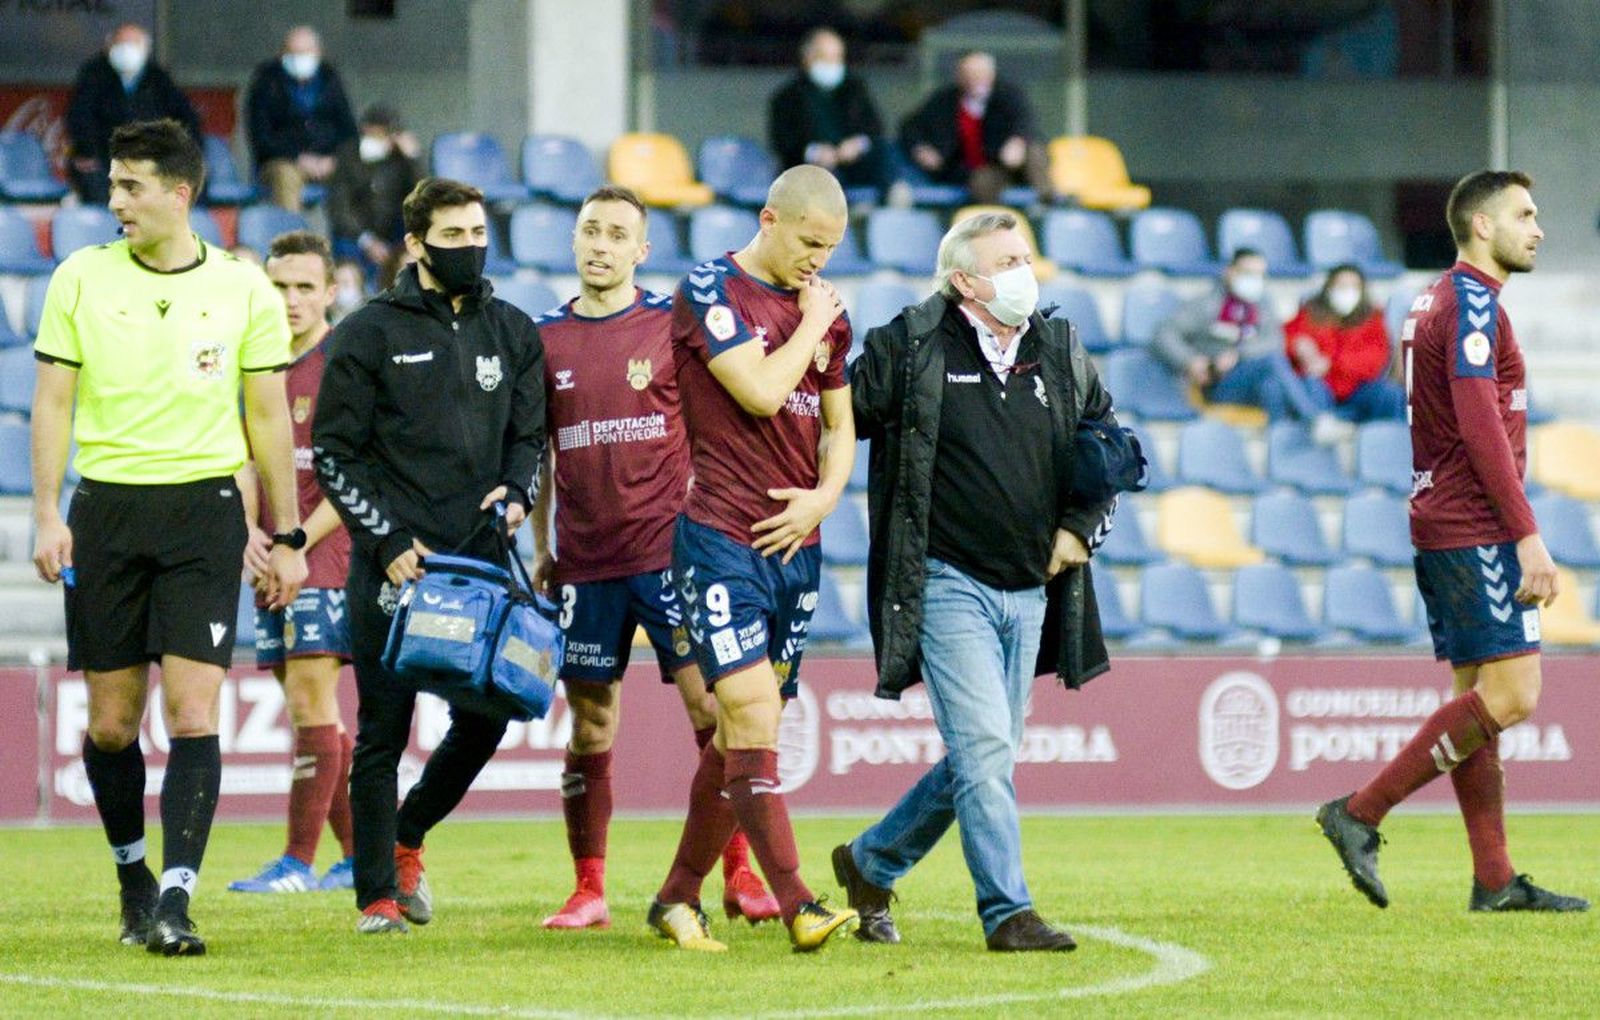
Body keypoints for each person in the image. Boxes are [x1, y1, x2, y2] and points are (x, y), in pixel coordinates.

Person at [30, 119, 307, 955]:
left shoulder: (243, 288)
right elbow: (52, 403)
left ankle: (178, 902)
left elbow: (268, 418)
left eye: (131, 186)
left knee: (193, 712)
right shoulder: (79, 277)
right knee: (113, 726)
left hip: (204, 512)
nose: (115, 201)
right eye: (113, 184)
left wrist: (287, 534)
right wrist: (47, 513)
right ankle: (134, 881)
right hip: (107, 512)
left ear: (178, 195)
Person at [832, 211, 1118, 951]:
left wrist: (1080, 528)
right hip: (944, 580)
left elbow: (1110, 443)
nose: (1027, 272)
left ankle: (871, 861)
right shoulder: (912, 344)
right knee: (987, 749)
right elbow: (840, 415)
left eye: (1026, 257)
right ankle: (1008, 912)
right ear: (964, 280)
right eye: (1008, 261)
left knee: (984, 755)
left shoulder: (1058, 346)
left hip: (1031, 587)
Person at [1316, 170, 1587, 915]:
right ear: (1481, 225)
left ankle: (1494, 879)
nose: (1538, 229)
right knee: (1514, 696)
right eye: (1524, 215)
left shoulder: (1434, 298)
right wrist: (1526, 535)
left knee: (1476, 703)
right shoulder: (1470, 305)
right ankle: (1360, 812)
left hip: (1444, 519)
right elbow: (1479, 426)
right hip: (1474, 525)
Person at [530, 186, 779, 931]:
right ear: (574, 240)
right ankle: (589, 890)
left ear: (641, 251)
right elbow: (540, 455)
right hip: (585, 561)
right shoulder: (544, 339)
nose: (600, 245)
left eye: (617, 235)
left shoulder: (672, 326)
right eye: (591, 231)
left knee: (713, 711)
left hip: (673, 556)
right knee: (590, 724)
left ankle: (738, 874)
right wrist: (542, 546)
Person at [312, 177, 546, 935]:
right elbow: (334, 453)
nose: (470, 247)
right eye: (453, 237)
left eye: (478, 233)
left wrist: (518, 492)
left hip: (479, 569)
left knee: (485, 722)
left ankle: (408, 835)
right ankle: (377, 896)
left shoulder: (514, 330)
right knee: (382, 730)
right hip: (397, 565)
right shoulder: (365, 333)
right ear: (416, 245)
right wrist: (384, 541)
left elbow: (529, 437)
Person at [647, 164, 858, 953]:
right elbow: (762, 392)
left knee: (739, 734)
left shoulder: (828, 314)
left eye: (830, 249)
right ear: (770, 219)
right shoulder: (710, 290)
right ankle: (801, 903)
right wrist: (810, 323)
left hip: (796, 548)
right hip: (720, 540)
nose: (818, 262)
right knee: (752, 714)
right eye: (809, 243)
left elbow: (839, 427)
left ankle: (676, 898)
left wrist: (823, 499)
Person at [228, 231, 356, 895]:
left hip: (324, 551)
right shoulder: (253, 364)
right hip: (274, 552)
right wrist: (249, 532)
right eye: (278, 286)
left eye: (305, 287)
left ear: (330, 291)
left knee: (311, 701)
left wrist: (296, 540)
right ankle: (360, 856)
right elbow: (245, 460)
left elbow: (356, 477)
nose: (290, 300)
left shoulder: (343, 365)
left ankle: (297, 863)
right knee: (312, 710)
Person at [1152, 248, 1350, 441]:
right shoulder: (1206, 304)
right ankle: (1316, 420)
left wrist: (1239, 353)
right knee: (1272, 361)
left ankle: (1278, 445)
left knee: (1272, 387)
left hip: (1252, 382)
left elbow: (1275, 342)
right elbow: (1164, 333)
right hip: (1219, 383)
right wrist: (1191, 361)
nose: (1254, 280)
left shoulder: (1263, 305)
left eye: (1259, 275)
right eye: (1248, 273)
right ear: (1230, 272)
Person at [65, 22, 201, 205]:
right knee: (99, 188)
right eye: (121, 44)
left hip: (152, 161)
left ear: (145, 49)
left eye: (133, 44)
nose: (127, 50)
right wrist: (86, 152)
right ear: (109, 47)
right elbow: (80, 118)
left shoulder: (158, 78)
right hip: (105, 160)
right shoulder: (93, 74)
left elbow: (187, 120)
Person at [899, 51, 1051, 206]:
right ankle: (994, 220)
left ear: (992, 74)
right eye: (968, 73)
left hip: (1015, 164)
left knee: (1034, 152)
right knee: (981, 182)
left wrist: (1018, 141)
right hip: (981, 170)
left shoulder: (1009, 95)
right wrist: (921, 148)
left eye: (979, 72)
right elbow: (910, 127)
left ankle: (1046, 204)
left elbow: (1026, 120)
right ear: (959, 76)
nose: (974, 78)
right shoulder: (944, 101)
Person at [767, 27, 895, 201]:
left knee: (884, 154)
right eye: (826, 58)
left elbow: (875, 128)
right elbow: (783, 142)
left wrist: (857, 144)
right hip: (812, 169)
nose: (833, 64)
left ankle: (890, 200)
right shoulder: (786, 98)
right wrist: (814, 152)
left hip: (855, 164)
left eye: (837, 57)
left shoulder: (855, 89)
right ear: (808, 59)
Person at [245, 25, 358, 213]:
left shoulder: (330, 80)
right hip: (284, 162)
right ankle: (291, 231)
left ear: (319, 53)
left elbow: (349, 132)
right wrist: (298, 158)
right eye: (294, 52)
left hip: (328, 162)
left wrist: (332, 160)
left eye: (306, 52)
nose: (300, 58)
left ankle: (356, 232)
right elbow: (261, 138)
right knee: (285, 176)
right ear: (282, 54)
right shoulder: (266, 83)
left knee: (360, 175)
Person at [1282, 264, 1406, 422]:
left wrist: (1331, 363)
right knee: (1309, 382)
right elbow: (1285, 336)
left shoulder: (1373, 318)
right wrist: (1297, 346)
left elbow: (1374, 359)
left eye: (1353, 287)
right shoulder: (1310, 313)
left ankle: (1385, 435)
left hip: (1358, 390)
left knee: (1390, 393)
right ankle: (1320, 424)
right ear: (1329, 288)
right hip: (1320, 388)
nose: (1347, 291)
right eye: (1341, 286)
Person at [327, 104, 422, 289]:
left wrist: (413, 160)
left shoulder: (400, 159)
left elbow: (422, 198)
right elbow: (339, 207)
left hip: (390, 234)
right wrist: (367, 241)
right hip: (355, 235)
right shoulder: (347, 156)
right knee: (345, 246)